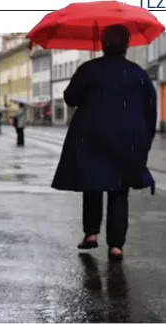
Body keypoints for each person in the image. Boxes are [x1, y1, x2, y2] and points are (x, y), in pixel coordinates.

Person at [51, 24, 157, 261]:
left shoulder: (89, 69)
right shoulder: (138, 74)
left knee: (93, 182)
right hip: (128, 138)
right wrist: (145, 141)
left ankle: (91, 233)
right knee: (120, 189)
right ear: (127, 45)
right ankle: (116, 246)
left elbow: (70, 98)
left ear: (103, 42)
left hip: (91, 135)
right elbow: (150, 109)